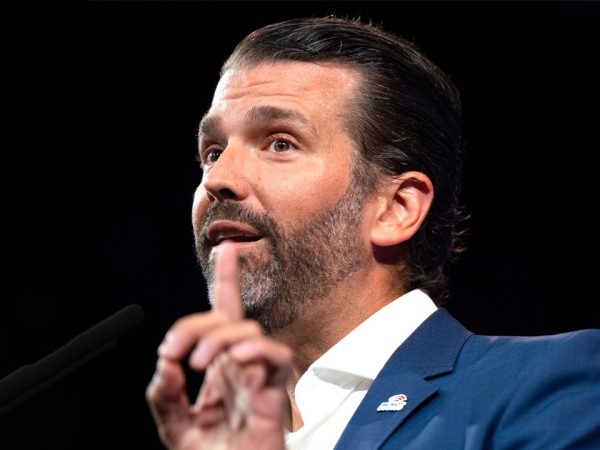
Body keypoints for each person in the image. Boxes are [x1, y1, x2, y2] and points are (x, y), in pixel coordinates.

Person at [145, 16, 600, 449]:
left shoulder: (544, 384)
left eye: (280, 143)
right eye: (213, 151)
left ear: (396, 209)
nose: (218, 178)